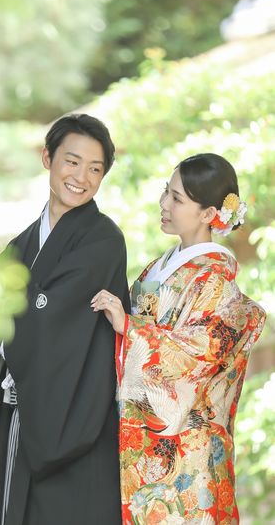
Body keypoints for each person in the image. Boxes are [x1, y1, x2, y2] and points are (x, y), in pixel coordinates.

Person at [0, 113, 128, 525]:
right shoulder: (20, 245)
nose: (81, 177)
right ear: (48, 159)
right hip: (20, 416)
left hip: (75, 420)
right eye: (72, 162)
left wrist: (12, 314)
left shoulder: (103, 240)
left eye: (95, 169)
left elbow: (52, 313)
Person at [92, 153, 266, 524]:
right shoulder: (162, 266)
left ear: (208, 214)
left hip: (188, 451)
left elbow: (197, 355)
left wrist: (130, 328)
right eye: (165, 192)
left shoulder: (214, 280)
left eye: (177, 198)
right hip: (154, 441)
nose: (164, 204)